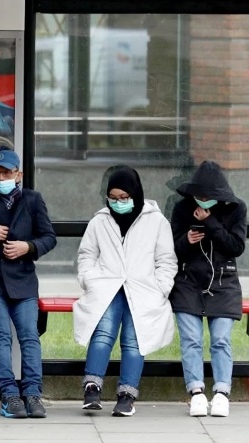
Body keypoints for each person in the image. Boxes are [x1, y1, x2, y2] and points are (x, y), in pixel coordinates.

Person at [73, 167, 177, 417]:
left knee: (134, 341)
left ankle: (127, 395)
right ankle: (92, 389)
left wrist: (160, 288)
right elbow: (87, 254)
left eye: (123, 197)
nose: (118, 202)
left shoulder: (156, 221)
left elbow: (167, 260)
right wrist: (90, 280)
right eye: (113, 197)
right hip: (107, 288)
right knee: (102, 334)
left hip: (143, 291)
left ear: (135, 194)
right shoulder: (99, 220)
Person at [0, 149, 57, 419]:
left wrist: (27, 247)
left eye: (7, 172)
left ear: (19, 174)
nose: (1, 177)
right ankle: (9, 395)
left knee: (29, 335)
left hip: (23, 282)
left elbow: (48, 237)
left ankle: (33, 394)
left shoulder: (32, 200)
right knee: (2, 335)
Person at [168, 160, 247, 418]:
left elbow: (236, 246)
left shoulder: (237, 209)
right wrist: (187, 241)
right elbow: (172, 250)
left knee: (221, 340)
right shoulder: (181, 208)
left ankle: (222, 392)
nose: (202, 201)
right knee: (191, 340)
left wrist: (211, 222)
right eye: (199, 196)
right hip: (189, 282)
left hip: (224, 283)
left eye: (208, 197)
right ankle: (196, 393)